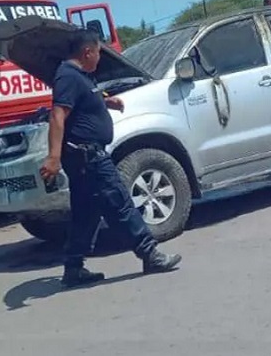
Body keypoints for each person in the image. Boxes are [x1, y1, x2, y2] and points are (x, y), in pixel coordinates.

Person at [40, 29, 182, 288]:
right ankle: (150, 254)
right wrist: (53, 156)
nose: (99, 58)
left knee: (86, 212)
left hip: (85, 156)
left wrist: (107, 101)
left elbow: (85, 100)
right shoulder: (68, 76)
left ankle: (73, 268)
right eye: (98, 52)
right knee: (120, 202)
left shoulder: (79, 76)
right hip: (87, 156)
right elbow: (57, 115)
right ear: (87, 52)